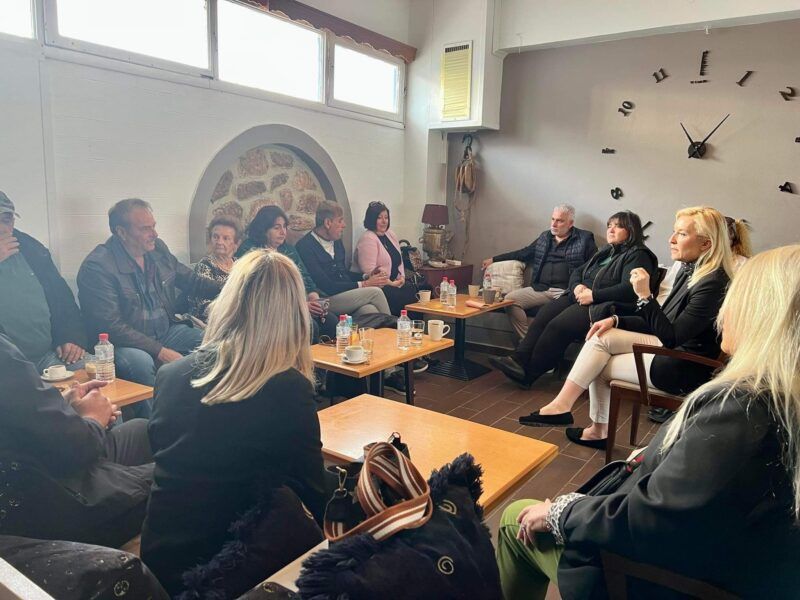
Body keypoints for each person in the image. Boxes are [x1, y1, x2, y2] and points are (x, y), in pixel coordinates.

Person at [496, 244, 800, 599]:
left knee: (515, 517)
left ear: (764, 313)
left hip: (648, 574)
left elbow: (650, 517)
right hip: (720, 557)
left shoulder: (742, 410)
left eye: (736, 297)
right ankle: (582, 415)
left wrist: (561, 513)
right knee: (599, 340)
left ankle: (573, 410)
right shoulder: (778, 401)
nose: (724, 309)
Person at [141, 250, 327, 596]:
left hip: (160, 560)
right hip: (226, 569)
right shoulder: (288, 388)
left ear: (228, 301)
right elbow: (313, 493)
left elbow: (164, 451)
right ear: (294, 314)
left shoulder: (170, 375)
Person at [518, 206, 732, 441]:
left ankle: (590, 426)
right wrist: (616, 320)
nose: (671, 239)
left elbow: (671, 336)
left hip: (681, 365)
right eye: (674, 232)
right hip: (669, 346)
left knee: (598, 362)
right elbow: (665, 321)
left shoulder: (712, 283)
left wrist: (645, 296)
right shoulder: (691, 270)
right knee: (600, 335)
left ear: (706, 244)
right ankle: (568, 411)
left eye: (681, 234)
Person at [0, 333, 153, 548]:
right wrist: (94, 419)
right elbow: (74, 447)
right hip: (42, 506)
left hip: (38, 465)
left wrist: (62, 406)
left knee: (140, 429)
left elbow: (23, 416)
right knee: (177, 470)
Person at [77, 199, 217, 417]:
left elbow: (191, 281)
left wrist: (236, 286)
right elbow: (110, 325)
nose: (155, 234)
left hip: (166, 331)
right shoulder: (98, 266)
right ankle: (156, 424)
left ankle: (204, 414)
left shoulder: (157, 250)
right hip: (123, 344)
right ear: (121, 232)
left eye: (154, 226)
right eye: (145, 229)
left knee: (212, 343)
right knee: (140, 363)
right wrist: (159, 351)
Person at [490, 211, 658, 391]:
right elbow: (578, 271)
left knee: (558, 326)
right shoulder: (606, 251)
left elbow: (629, 289)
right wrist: (577, 286)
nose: (611, 230)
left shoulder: (638, 255)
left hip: (605, 305)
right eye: (609, 225)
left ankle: (529, 373)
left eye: (618, 226)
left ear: (631, 230)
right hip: (580, 295)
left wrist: (593, 295)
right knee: (545, 314)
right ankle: (518, 358)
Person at [0, 192, 88, 372]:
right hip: (5, 366)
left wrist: (70, 336)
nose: (2, 228)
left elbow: (62, 297)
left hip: (45, 356)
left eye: (6, 219)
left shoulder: (30, 247)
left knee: (99, 373)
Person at [482, 204, 597, 338]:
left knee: (552, 315)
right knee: (510, 300)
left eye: (559, 221)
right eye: (552, 219)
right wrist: (494, 259)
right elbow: (524, 253)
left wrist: (583, 287)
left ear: (570, 223)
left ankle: (533, 345)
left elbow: (595, 266)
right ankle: (526, 340)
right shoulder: (545, 237)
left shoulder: (584, 238)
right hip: (541, 289)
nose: (554, 224)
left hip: (566, 291)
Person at [237, 205, 330, 335]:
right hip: (269, 308)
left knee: (330, 322)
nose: (283, 232)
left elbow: (305, 277)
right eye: (277, 228)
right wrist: (300, 306)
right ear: (264, 229)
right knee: (310, 326)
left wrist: (314, 300)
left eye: (284, 227)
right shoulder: (250, 250)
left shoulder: (288, 249)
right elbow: (263, 290)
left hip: (297, 303)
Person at [295, 200, 392, 319]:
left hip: (344, 295)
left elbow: (344, 274)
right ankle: (397, 328)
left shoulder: (337, 242)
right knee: (375, 292)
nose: (344, 225)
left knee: (368, 310)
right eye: (340, 221)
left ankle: (387, 329)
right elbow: (326, 285)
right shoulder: (305, 247)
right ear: (328, 223)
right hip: (324, 299)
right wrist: (365, 284)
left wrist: (366, 276)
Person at [355, 201, 426, 316]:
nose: (384, 221)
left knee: (412, 291)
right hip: (380, 286)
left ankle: (416, 326)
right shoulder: (368, 238)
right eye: (379, 218)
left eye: (386, 217)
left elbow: (399, 260)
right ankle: (399, 325)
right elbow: (370, 273)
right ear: (372, 219)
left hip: (395, 282)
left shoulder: (390, 234)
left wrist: (402, 278)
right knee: (400, 296)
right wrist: (391, 283)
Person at [187, 216, 241, 321]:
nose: (219, 242)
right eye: (215, 237)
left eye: (226, 238)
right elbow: (203, 307)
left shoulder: (240, 265)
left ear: (236, 243)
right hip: (210, 322)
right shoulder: (205, 265)